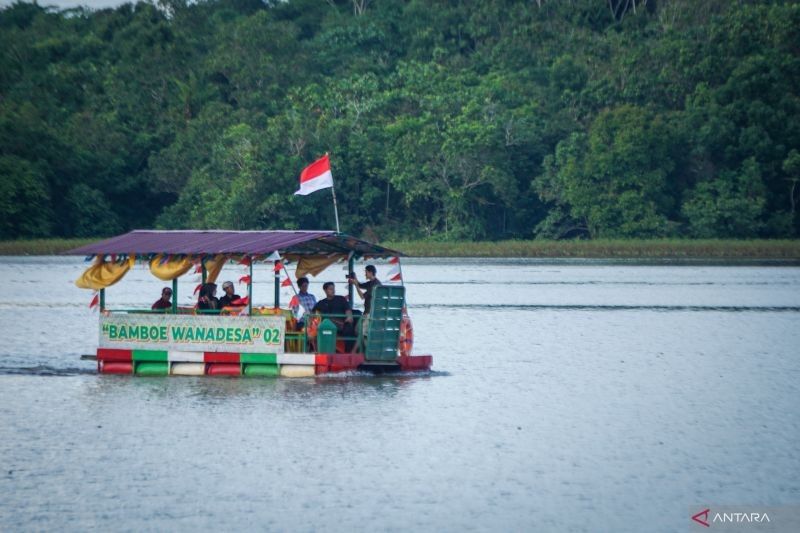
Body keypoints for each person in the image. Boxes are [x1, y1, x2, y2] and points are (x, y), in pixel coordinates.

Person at [312, 282, 356, 351]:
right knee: (315, 331)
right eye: (330, 289)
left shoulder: (341, 299)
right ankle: (318, 350)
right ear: (325, 290)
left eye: (333, 289)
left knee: (349, 329)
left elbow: (348, 310)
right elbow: (312, 313)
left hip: (341, 324)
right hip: (326, 326)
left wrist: (349, 317)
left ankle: (348, 352)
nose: (333, 290)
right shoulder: (321, 303)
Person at [349, 265, 381, 344]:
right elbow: (361, 285)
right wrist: (355, 279)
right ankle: (360, 349)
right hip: (367, 313)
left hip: (370, 314)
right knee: (357, 330)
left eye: (366, 272)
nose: (365, 274)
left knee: (363, 333)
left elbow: (362, 296)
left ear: (370, 272)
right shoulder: (372, 283)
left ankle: (366, 351)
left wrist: (355, 285)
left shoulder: (375, 285)